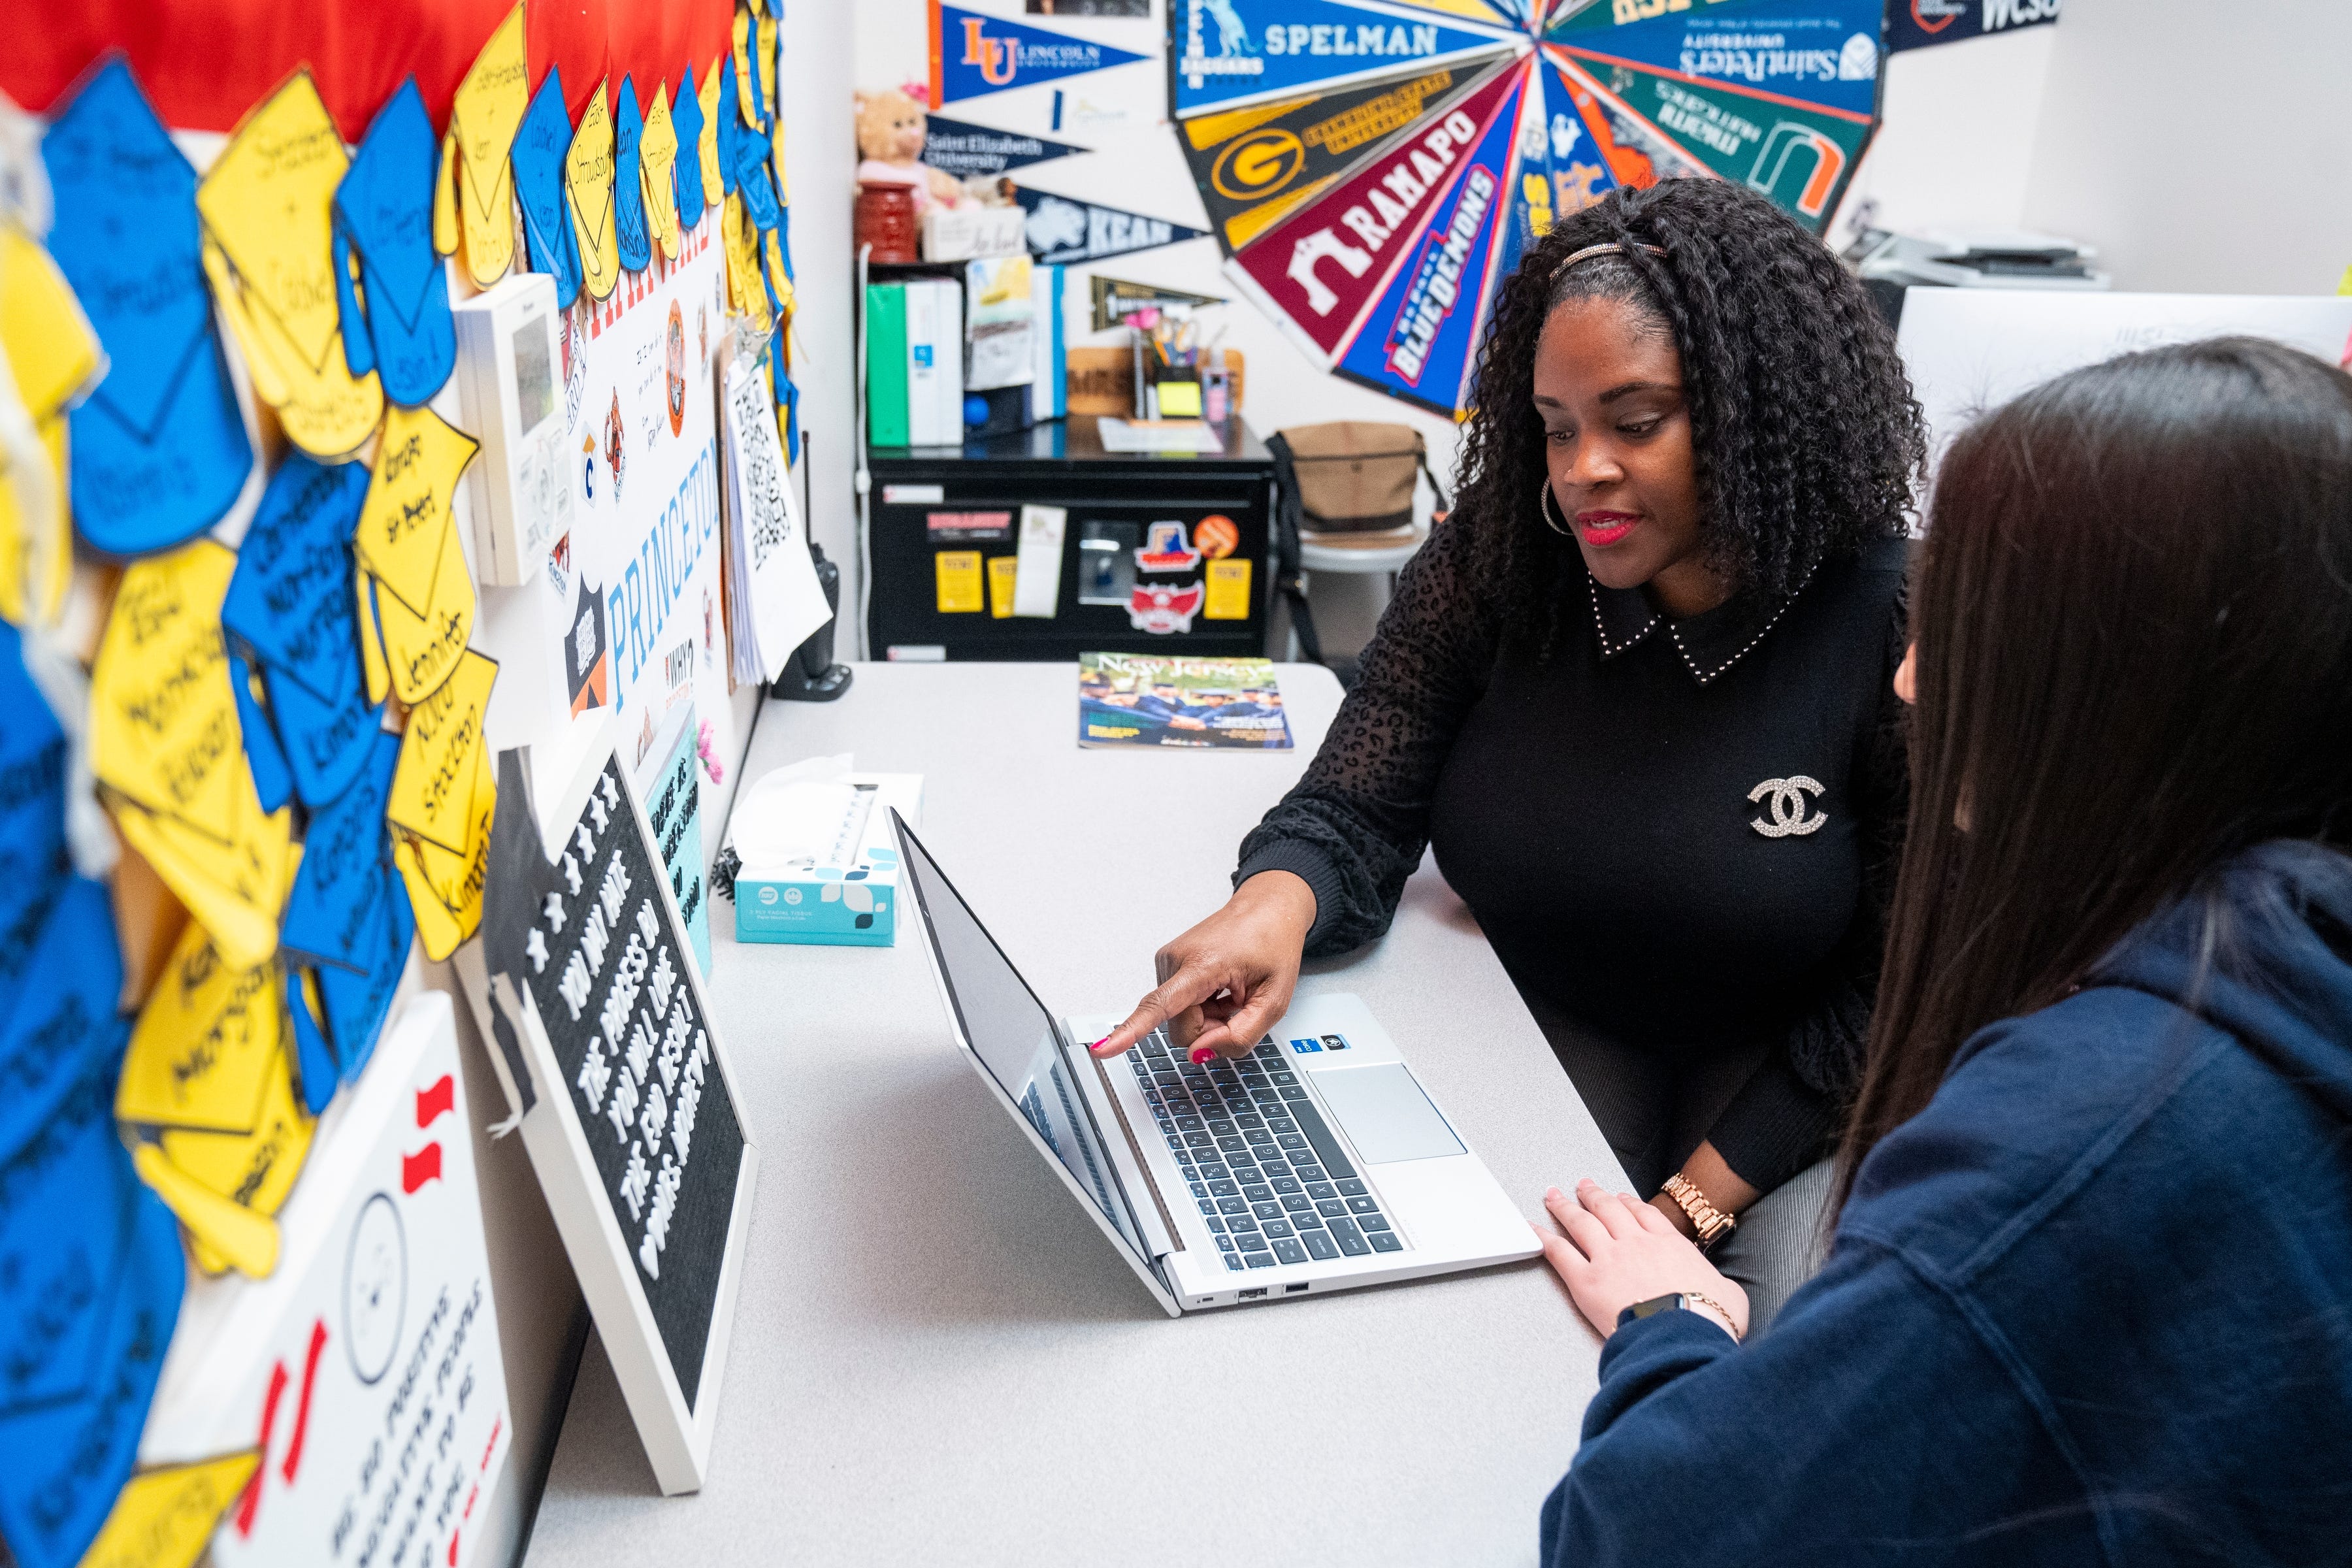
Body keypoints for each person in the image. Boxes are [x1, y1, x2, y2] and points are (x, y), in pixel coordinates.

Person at [1533, 336, 2352, 1561]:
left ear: (2114, 680)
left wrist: (1672, 1323)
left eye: (1961, 625)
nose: (1910, 683)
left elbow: (1644, 1536)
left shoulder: (2074, 1141)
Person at [1092, 178, 1925, 1328]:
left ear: (1759, 412)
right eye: (1556, 426)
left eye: (1636, 424)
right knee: (1467, 1314)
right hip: (1554, 1018)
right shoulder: (1499, 565)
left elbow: (1898, 984)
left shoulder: (1894, 624)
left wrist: (1685, 1212)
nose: (1582, 470)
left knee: (1778, 1345)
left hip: (1799, 1072)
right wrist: (1274, 903)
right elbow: (1358, 804)